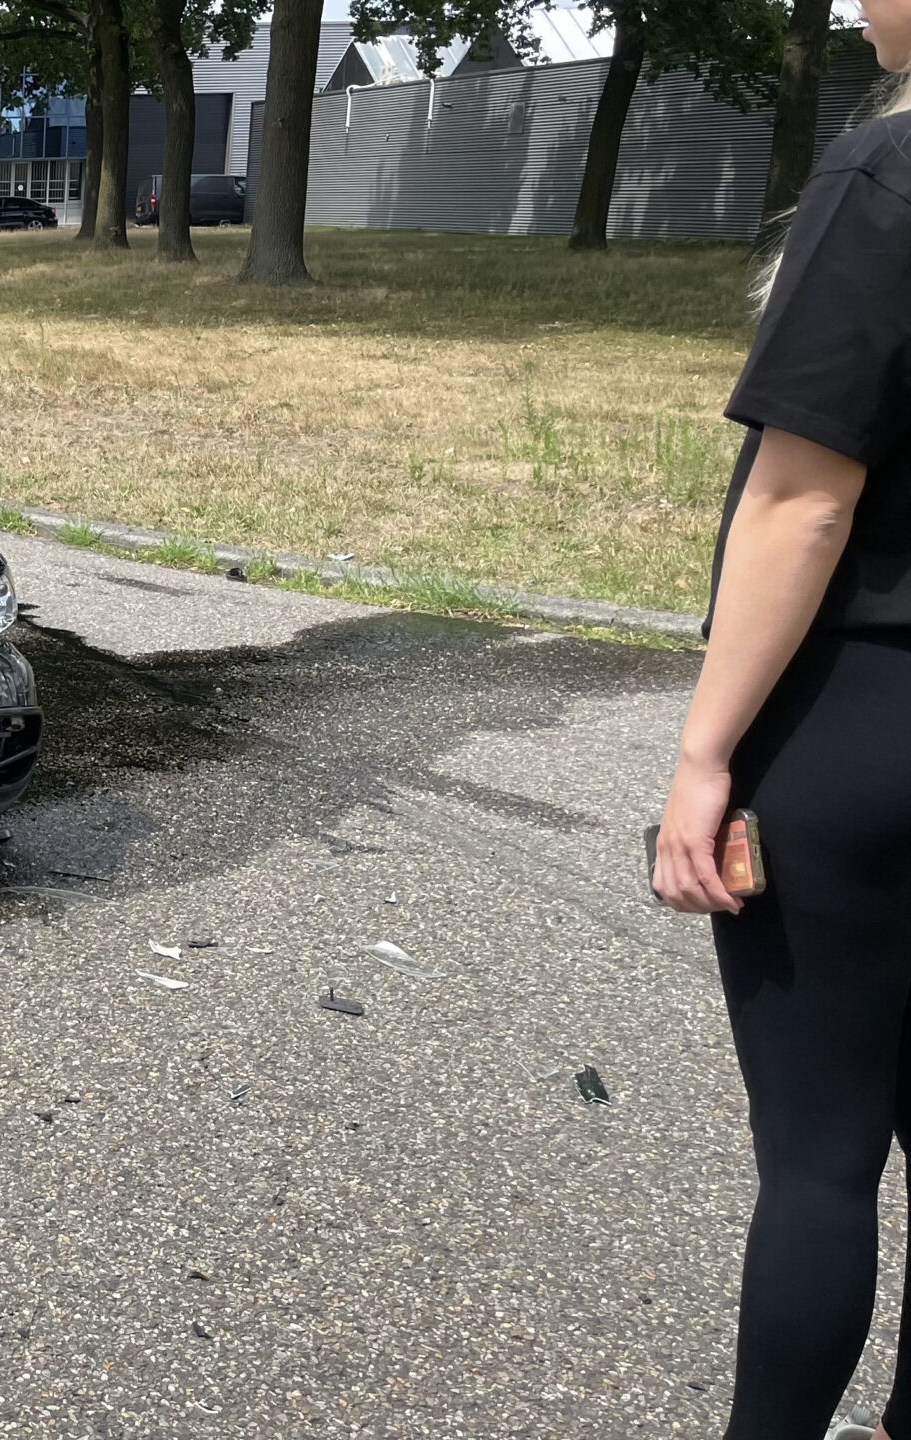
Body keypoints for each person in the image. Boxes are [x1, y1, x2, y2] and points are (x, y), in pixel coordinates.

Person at [650, 1, 911, 1433]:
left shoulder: (886, 180)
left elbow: (808, 498)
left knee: (819, 1160)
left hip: (866, 719)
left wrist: (702, 754)